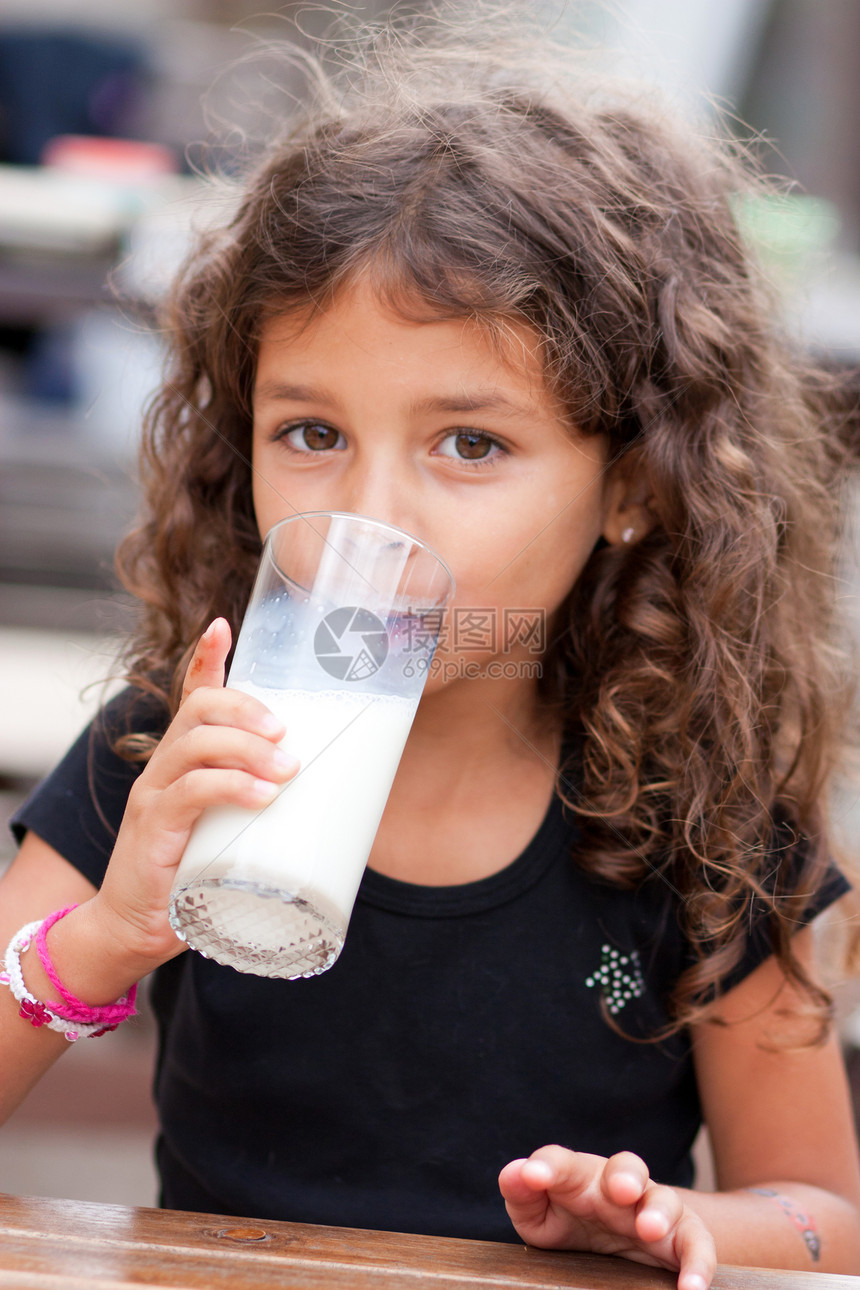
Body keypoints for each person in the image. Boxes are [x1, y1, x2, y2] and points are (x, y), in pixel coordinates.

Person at [3, 11, 860, 1287]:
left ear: (632, 482)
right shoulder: (173, 751)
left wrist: (679, 1222)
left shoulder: (707, 824)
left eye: (470, 444)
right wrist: (106, 936)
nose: (371, 516)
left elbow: (822, 1217)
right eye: (310, 432)